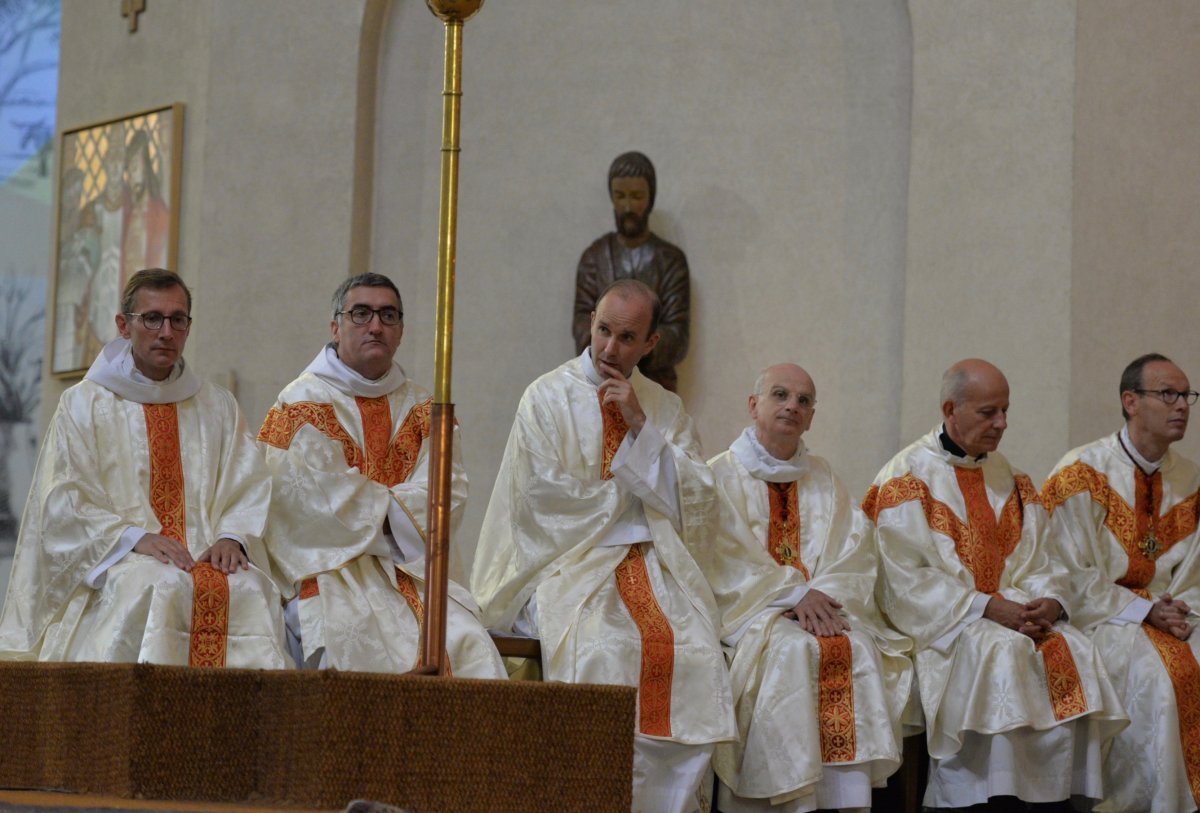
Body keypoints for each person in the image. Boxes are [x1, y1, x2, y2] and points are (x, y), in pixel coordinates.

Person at [473, 279, 735, 813]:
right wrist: (633, 492)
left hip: (652, 562)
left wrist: (640, 426)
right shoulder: (545, 396)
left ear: (651, 344)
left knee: (697, 651)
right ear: (590, 322)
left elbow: (699, 500)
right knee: (602, 647)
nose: (610, 349)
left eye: (627, 338)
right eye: (603, 332)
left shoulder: (663, 406)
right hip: (571, 562)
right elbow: (538, 500)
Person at [862, 358, 1126, 810]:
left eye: (1005, 410)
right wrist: (984, 607)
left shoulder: (1014, 479)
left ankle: (1053, 798)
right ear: (951, 409)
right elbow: (902, 581)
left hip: (1014, 613)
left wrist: (1048, 601)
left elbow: (1043, 558)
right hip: (944, 628)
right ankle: (988, 797)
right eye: (988, 413)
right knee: (1001, 652)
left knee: (1074, 646)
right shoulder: (904, 480)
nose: (1002, 423)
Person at [0, 268, 287, 667]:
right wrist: (132, 538)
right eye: (152, 318)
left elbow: (248, 484)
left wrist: (232, 536)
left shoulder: (216, 406)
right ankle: (144, 722)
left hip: (205, 551)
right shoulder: (85, 404)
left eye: (178, 319)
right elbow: (62, 500)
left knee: (252, 589)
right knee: (158, 584)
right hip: (120, 557)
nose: (166, 332)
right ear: (124, 325)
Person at [257, 272, 505, 678]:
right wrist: (395, 509)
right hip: (333, 572)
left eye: (388, 315)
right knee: (348, 636)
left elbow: (448, 493)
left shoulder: (426, 406)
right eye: (361, 314)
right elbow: (305, 500)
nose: (376, 326)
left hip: (413, 572)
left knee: (469, 642)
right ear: (336, 327)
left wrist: (369, 503)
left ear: (401, 330)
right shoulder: (301, 402)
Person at [706, 364, 915, 813]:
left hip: (819, 608)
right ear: (753, 404)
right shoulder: (718, 477)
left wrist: (819, 597)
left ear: (812, 416)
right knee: (789, 652)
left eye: (803, 401)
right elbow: (720, 558)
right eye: (780, 395)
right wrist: (791, 596)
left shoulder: (823, 477)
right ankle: (779, 799)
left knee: (856, 645)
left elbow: (854, 553)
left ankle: (841, 802)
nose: (792, 406)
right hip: (755, 615)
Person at [1043, 353, 1200, 813]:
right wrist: (1143, 609)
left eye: (1187, 396)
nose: (1182, 407)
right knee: (1156, 677)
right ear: (1131, 401)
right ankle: (1146, 803)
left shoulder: (1189, 479)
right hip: (1105, 619)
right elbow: (1065, 570)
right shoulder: (1079, 475)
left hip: (1176, 614)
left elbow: (1194, 568)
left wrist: (1177, 608)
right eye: (1168, 394)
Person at [572, 151, 690, 392]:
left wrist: (623, 345)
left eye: (636, 196)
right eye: (620, 196)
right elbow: (582, 326)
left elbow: (677, 337)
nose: (627, 206)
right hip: (597, 387)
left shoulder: (670, 261)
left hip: (655, 389)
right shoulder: (594, 258)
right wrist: (629, 341)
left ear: (650, 198)